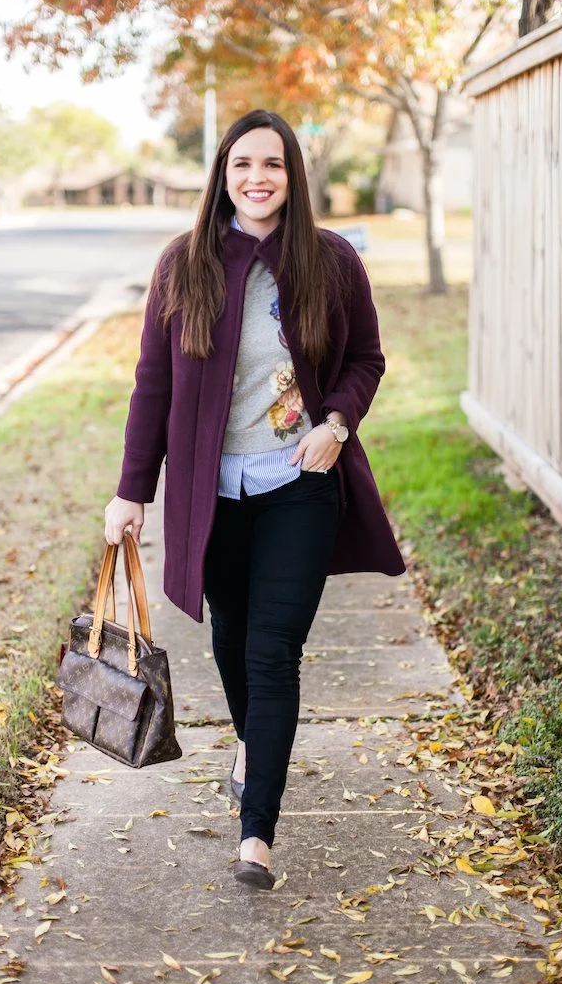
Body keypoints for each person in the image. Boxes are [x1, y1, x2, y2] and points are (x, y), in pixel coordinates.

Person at [104, 109, 405, 890]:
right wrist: (131, 491)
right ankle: (251, 745)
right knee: (234, 640)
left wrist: (335, 423)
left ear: (291, 175)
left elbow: (366, 359)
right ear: (222, 175)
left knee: (273, 653)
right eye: (241, 164)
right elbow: (153, 384)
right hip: (212, 496)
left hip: (299, 487)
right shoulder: (185, 264)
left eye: (271, 164)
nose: (256, 178)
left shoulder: (330, 261)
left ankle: (255, 835)